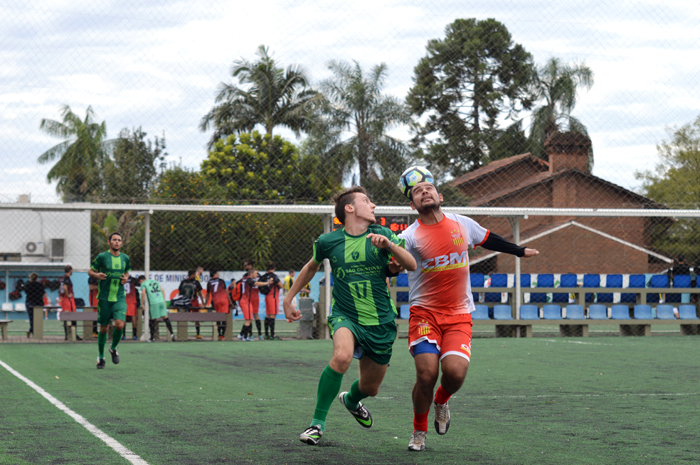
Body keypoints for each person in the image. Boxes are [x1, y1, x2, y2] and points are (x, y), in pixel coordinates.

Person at [396, 178, 539, 452]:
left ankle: (442, 400)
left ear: (440, 196)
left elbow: (488, 239)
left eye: (428, 188)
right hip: (424, 315)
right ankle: (418, 431)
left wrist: (519, 250)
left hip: (459, 315)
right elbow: (392, 268)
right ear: (413, 205)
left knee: (455, 374)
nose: (424, 191)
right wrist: (388, 256)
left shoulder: (462, 223)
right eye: (417, 191)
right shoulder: (408, 237)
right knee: (426, 374)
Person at [283, 186, 417, 446]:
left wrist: (390, 246)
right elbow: (311, 266)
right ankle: (316, 424)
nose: (374, 205)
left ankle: (352, 399)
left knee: (371, 388)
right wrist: (288, 298)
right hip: (345, 314)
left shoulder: (382, 234)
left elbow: (410, 265)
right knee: (341, 356)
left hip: (380, 321)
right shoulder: (328, 241)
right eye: (367, 200)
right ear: (350, 208)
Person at [88, 232, 131, 369]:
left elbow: (127, 272)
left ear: (122, 243)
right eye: (114, 240)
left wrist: (126, 278)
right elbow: (90, 271)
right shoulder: (102, 257)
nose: (117, 242)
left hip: (119, 297)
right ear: (109, 242)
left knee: (119, 325)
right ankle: (101, 357)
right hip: (104, 298)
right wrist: (96, 275)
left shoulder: (125, 258)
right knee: (104, 328)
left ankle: (113, 348)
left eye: (119, 240)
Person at [236, 268, 270, 341]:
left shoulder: (245, 278)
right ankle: (244, 336)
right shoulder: (249, 279)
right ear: (251, 273)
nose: (257, 275)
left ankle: (242, 335)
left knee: (249, 319)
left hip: (247, 301)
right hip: (245, 301)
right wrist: (267, 283)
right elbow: (257, 283)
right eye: (255, 273)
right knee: (248, 320)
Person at [138, 275, 175, 342]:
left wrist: (142, 304)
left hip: (154, 303)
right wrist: (164, 301)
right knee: (166, 318)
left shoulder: (143, 284)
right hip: (161, 301)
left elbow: (143, 293)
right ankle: (172, 334)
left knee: (151, 320)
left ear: (140, 281)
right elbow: (163, 290)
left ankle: (152, 338)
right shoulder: (155, 281)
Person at [206, 269, 234, 340]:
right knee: (224, 317)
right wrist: (230, 301)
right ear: (215, 274)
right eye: (218, 273)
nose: (218, 274)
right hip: (224, 299)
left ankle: (219, 334)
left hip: (216, 300)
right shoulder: (221, 281)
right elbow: (226, 292)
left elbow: (207, 294)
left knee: (218, 317)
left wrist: (205, 303)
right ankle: (223, 335)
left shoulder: (209, 282)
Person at [260, 262, 284, 340]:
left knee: (268, 315)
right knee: (272, 315)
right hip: (273, 297)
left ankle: (266, 334)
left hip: (266, 297)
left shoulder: (264, 276)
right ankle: (272, 334)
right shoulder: (274, 276)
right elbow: (281, 285)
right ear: (274, 268)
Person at [179, 270, 205, 339]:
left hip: (185, 302)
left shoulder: (183, 282)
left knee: (183, 317)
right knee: (197, 319)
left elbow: (180, 293)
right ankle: (198, 334)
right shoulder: (196, 282)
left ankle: (182, 334)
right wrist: (203, 302)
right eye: (195, 274)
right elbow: (200, 293)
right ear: (192, 275)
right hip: (194, 302)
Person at [59, 265, 81, 341]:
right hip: (69, 300)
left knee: (66, 317)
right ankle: (73, 334)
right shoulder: (67, 279)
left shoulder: (63, 278)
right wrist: (68, 294)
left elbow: (61, 288)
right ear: (71, 270)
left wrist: (62, 295)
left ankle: (67, 334)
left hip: (64, 300)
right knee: (72, 316)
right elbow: (65, 287)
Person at [24, 272, 47, 338]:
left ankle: (32, 331)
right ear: (37, 278)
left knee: (31, 318)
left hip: (29, 301)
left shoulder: (28, 285)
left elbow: (26, 292)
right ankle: (34, 331)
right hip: (38, 302)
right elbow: (44, 295)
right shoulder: (40, 285)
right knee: (38, 319)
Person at [124, 275, 140, 340]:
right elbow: (138, 284)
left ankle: (123, 335)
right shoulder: (132, 279)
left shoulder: (120, 278)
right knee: (133, 318)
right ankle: (134, 335)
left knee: (123, 318)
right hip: (131, 301)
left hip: (124, 300)